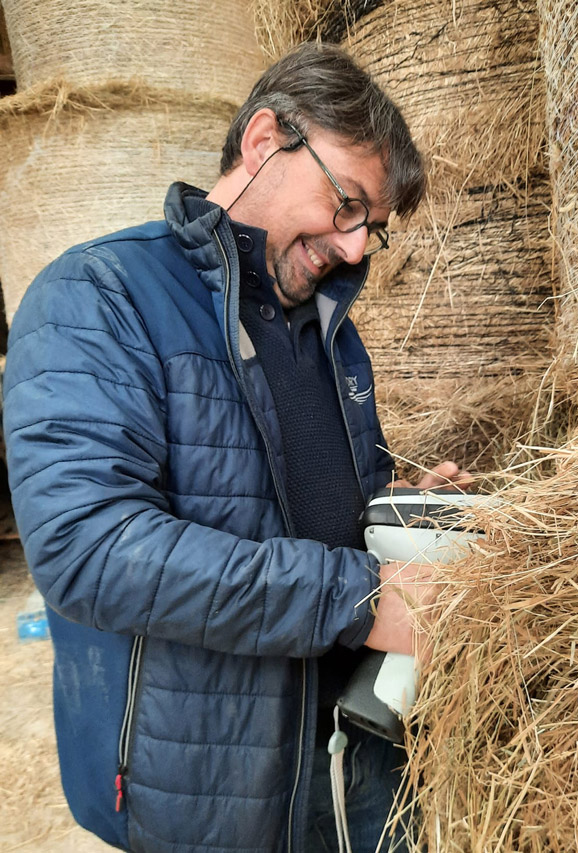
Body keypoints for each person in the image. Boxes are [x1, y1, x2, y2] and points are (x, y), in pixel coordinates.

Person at [2, 43, 470, 853]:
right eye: (347, 204)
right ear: (263, 143)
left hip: (349, 747)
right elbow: (88, 549)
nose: (357, 248)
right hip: (211, 787)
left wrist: (400, 500)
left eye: (375, 229)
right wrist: (362, 599)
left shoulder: (330, 330)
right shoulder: (99, 297)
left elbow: (299, 495)